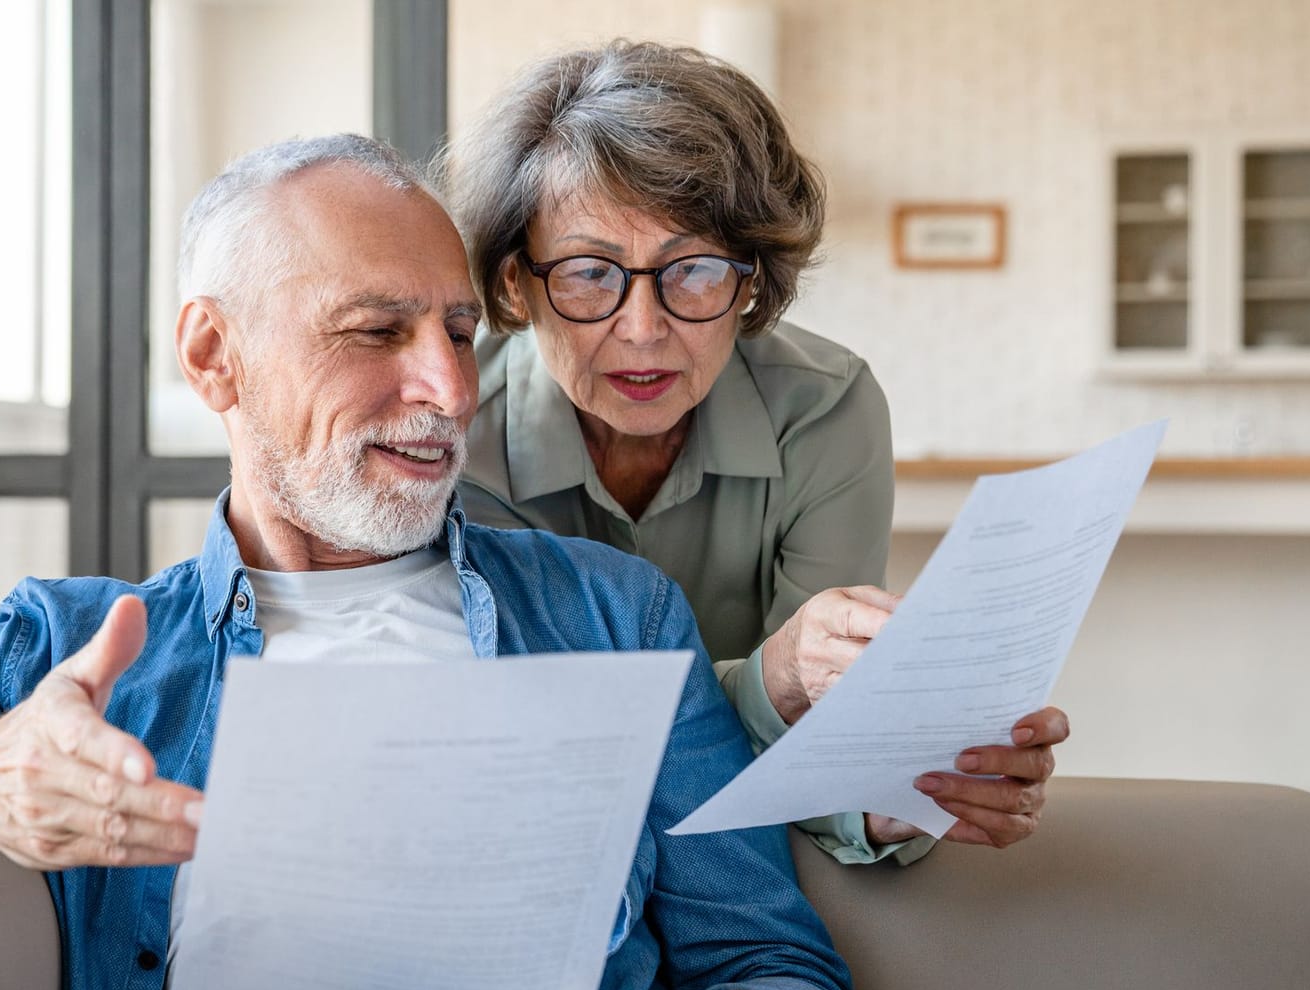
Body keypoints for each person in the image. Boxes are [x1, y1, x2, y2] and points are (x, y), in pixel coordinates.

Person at [0, 135, 855, 990]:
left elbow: (778, 977)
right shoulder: (83, 654)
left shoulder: (615, 617)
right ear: (214, 357)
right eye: (377, 332)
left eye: (461, 332)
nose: (445, 388)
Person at [446, 41, 1067, 864]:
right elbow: (541, 744)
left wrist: (889, 798)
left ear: (751, 284)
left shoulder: (826, 408)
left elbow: (830, 742)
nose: (642, 328)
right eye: (591, 273)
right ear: (517, 283)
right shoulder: (453, 431)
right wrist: (772, 682)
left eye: (696, 271)